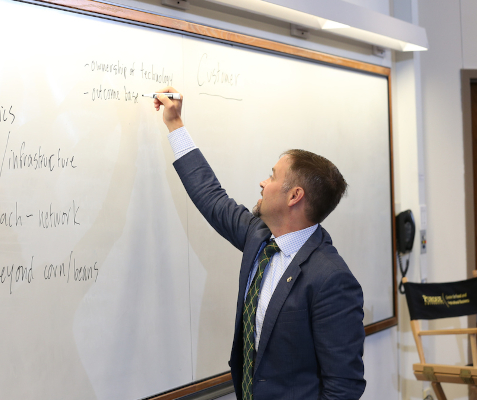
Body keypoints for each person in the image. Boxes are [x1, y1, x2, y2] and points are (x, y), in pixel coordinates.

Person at [153, 87, 365, 400]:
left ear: (294, 196)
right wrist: (175, 125)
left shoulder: (331, 278)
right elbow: (211, 197)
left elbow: (343, 387)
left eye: (273, 176)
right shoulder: (260, 239)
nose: (263, 183)